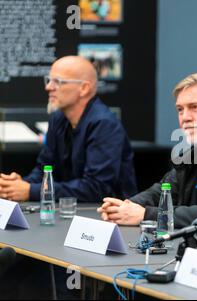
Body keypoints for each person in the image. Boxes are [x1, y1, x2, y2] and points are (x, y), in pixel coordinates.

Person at [97, 72, 197, 227]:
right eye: (180, 109)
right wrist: (124, 207)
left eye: (195, 107)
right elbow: (160, 192)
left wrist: (146, 214)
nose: (185, 117)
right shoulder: (190, 156)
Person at [0, 56, 137, 202]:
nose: (48, 87)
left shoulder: (104, 124)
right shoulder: (58, 118)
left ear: (83, 88)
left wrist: (31, 191)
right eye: (49, 80)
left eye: (57, 82)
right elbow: (44, 171)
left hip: (106, 217)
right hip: (68, 212)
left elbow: (96, 188)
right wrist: (18, 185)